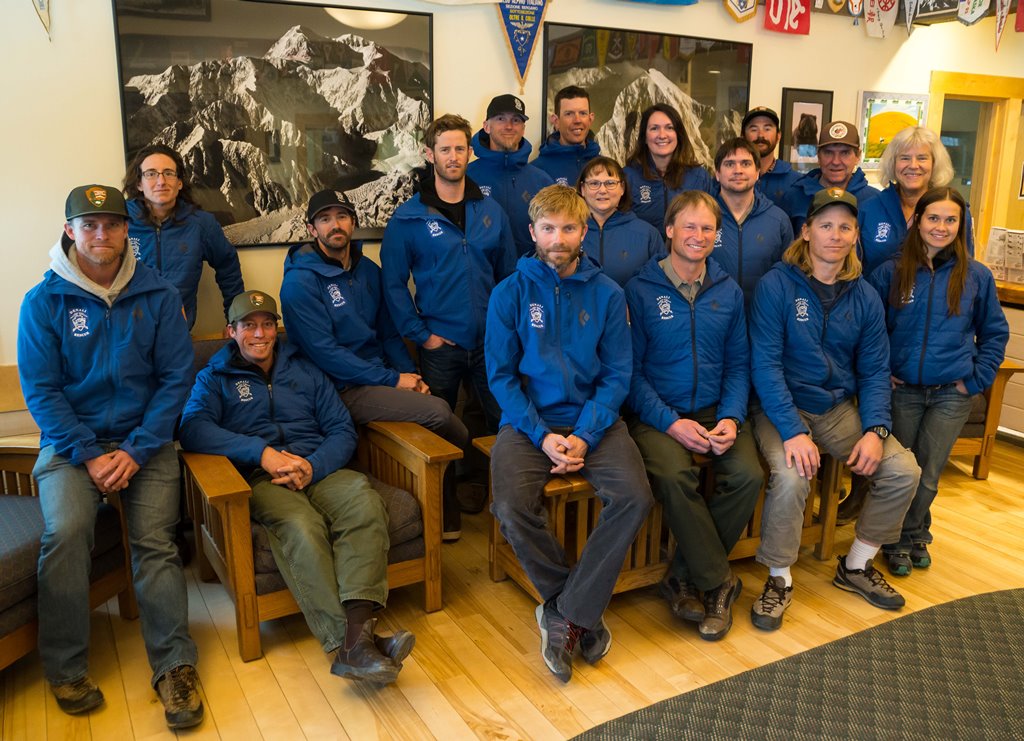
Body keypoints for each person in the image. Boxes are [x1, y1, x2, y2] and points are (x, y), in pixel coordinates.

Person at [17, 185, 203, 728]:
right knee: (68, 534)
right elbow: (42, 390)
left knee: (156, 544)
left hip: (144, 443)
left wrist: (137, 448)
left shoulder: (160, 295)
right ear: (70, 231)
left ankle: (175, 667)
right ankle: (66, 666)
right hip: (71, 447)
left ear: (128, 231)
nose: (102, 235)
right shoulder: (43, 301)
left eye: (113, 224)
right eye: (90, 225)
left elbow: (175, 380)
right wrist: (89, 456)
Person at [179, 291, 415, 685]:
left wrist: (313, 464)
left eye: (267, 324)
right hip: (263, 477)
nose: (260, 333)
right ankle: (346, 642)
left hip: (318, 467)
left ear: (277, 328)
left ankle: (357, 638)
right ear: (231, 331)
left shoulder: (303, 369)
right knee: (302, 526)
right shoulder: (214, 377)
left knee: (364, 504)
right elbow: (192, 429)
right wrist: (262, 453)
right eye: (249, 325)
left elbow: (341, 427)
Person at [486, 185, 653, 682]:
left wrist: (584, 433)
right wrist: (540, 436)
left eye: (569, 228)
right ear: (534, 232)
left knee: (635, 497)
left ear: (583, 232)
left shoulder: (607, 293)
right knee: (511, 505)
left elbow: (617, 373)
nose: (558, 238)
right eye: (549, 228)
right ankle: (573, 607)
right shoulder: (509, 292)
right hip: (527, 423)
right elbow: (500, 377)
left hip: (594, 421)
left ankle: (566, 615)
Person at [748, 187, 920, 631]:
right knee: (791, 475)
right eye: (825, 225)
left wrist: (876, 429)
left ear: (856, 235)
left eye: (845, 227)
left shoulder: (863, 296)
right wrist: (792, 430)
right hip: (780, 407)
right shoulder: (776, 285)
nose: (835, 235)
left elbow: (876, 368)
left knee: (903, 470)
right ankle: (780, 578)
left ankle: (857, 565)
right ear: (806, 232)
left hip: (837, 409)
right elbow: (765, 366)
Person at [280, 189, 469, 540]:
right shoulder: (299, 283)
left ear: (353, 222)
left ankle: (444, 515)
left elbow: (388, 333)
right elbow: (326, 354)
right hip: (338, 388)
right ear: (311, 229)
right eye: (325, 219)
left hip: (377, 376)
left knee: (435, 410)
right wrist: (394, 379)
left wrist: (412, 376)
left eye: (342, 216)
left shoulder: (368, 270)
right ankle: (450, 509)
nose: (335, 225)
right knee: (441, 414)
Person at [625, 191, 762, 642]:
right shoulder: (639, 290)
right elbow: (631, 374)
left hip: (714, 409)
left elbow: (739, 364)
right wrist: (669, 422)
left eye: (707, 228)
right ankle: (719, 582)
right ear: (669, 230)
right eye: (689, 226)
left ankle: (683, 575)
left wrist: (731, 418)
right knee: (672, 474)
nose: (698, 236)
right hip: (658, 414)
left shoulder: (728, 290)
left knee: (748, 475)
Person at [382, 113, 516, 536]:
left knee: (504, 423)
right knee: (438, 430)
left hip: (490, 344)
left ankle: (507, 512)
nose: (454, 156)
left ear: (470, 153)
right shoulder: (408, 218)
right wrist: (422, 336)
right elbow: (392, 285)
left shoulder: (490, 210)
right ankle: (445, 516)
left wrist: (506, 331)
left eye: (461, 148)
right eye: (445, 149)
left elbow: (510, 275)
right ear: (430, 154)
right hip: (441, 345)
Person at [867, 188, 1007, 576]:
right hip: (903, 390)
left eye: (950, 220)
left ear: (961, 227)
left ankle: (910, 535)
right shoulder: (890, 271)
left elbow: (994, 333)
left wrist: (975, 380)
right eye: (933, 218)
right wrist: (883, 372)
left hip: (952, 392)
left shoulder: (976, 276)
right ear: (917, 222)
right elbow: (870, 330)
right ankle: (895, 539)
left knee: (929, 473)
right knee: (900, 469)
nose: (941, 227)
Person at [123, 143, 244, 329]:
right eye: (151, 173)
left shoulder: (202, 224)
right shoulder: (119, 222)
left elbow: (228, 267)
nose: (161, 181)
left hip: (178, 334)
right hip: (128, 334)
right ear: (139, 183)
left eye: (169, 173)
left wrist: (235, 320)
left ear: (179, 182)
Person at [858, 126, 975, 277]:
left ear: (934, 163)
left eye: (922, 158)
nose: (913, 165)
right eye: (905, 158)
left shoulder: (956, 212)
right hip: (876, 299)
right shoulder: (868, 209)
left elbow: (965, 270)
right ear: (893, 163)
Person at [467, 94, 554, 257]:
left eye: (516, 120)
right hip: (482, 278)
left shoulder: (542, 181)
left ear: (523, 128)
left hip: (529, 277)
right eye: (500, 119)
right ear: (486, 126)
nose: (509, 126)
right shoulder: (466, 177)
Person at [712, 138, 794, 308]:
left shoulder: (779, 221)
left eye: (746, 164)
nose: (738, 171)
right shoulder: (701, 218)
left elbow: (789, 279)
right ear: (717, 174)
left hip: (764, 321)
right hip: (713, 322)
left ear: (757, 172)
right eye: (729, 164)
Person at [624, 103, 714, 236]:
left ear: (678, 135)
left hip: (687, 255)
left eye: (669, 128)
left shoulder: (699, 177)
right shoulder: (628, 176)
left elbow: (710, 222)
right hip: (642, 256)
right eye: (654, 128)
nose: (662, 135)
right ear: (645, 138)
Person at [576, 156, 664, 287]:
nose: (602, 190)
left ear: (622, 188)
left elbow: (661, 284)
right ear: (583, 189)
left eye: (610, 183)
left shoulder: (648, 234)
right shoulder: (568, 230)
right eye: (594, 183)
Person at [780, 121, 880, 233]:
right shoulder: (794, 196)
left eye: (845, 153)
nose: (836, 161)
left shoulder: (875, 200)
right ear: (818, 156)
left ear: (858, 156)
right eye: (828, 153)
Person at [534, 85, 601, 186]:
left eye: (583, 113)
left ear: (590, 119)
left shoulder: (605, 167)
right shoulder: (537, 171)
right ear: (556, 121)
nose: (577, 120)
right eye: (569, 114)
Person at [743, 106, 801, 209]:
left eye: (767, 129)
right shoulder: (730, 178)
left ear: (778, 136)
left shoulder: (796, 182)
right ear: (743, 137)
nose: (760, 135)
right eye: (753, 129)